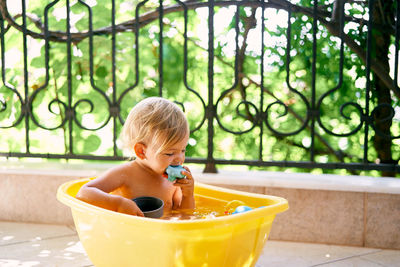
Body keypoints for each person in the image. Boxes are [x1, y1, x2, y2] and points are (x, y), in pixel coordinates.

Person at [76, 97, 195, 217]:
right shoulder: (125, 174)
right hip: (129, 233)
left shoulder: (173, 182)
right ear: (141, 151)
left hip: (161, 234)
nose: (179, 158)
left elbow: (184, 215)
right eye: (169, 153)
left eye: (183, 150)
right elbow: (84, 193)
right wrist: (118, 203)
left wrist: (188, 195)